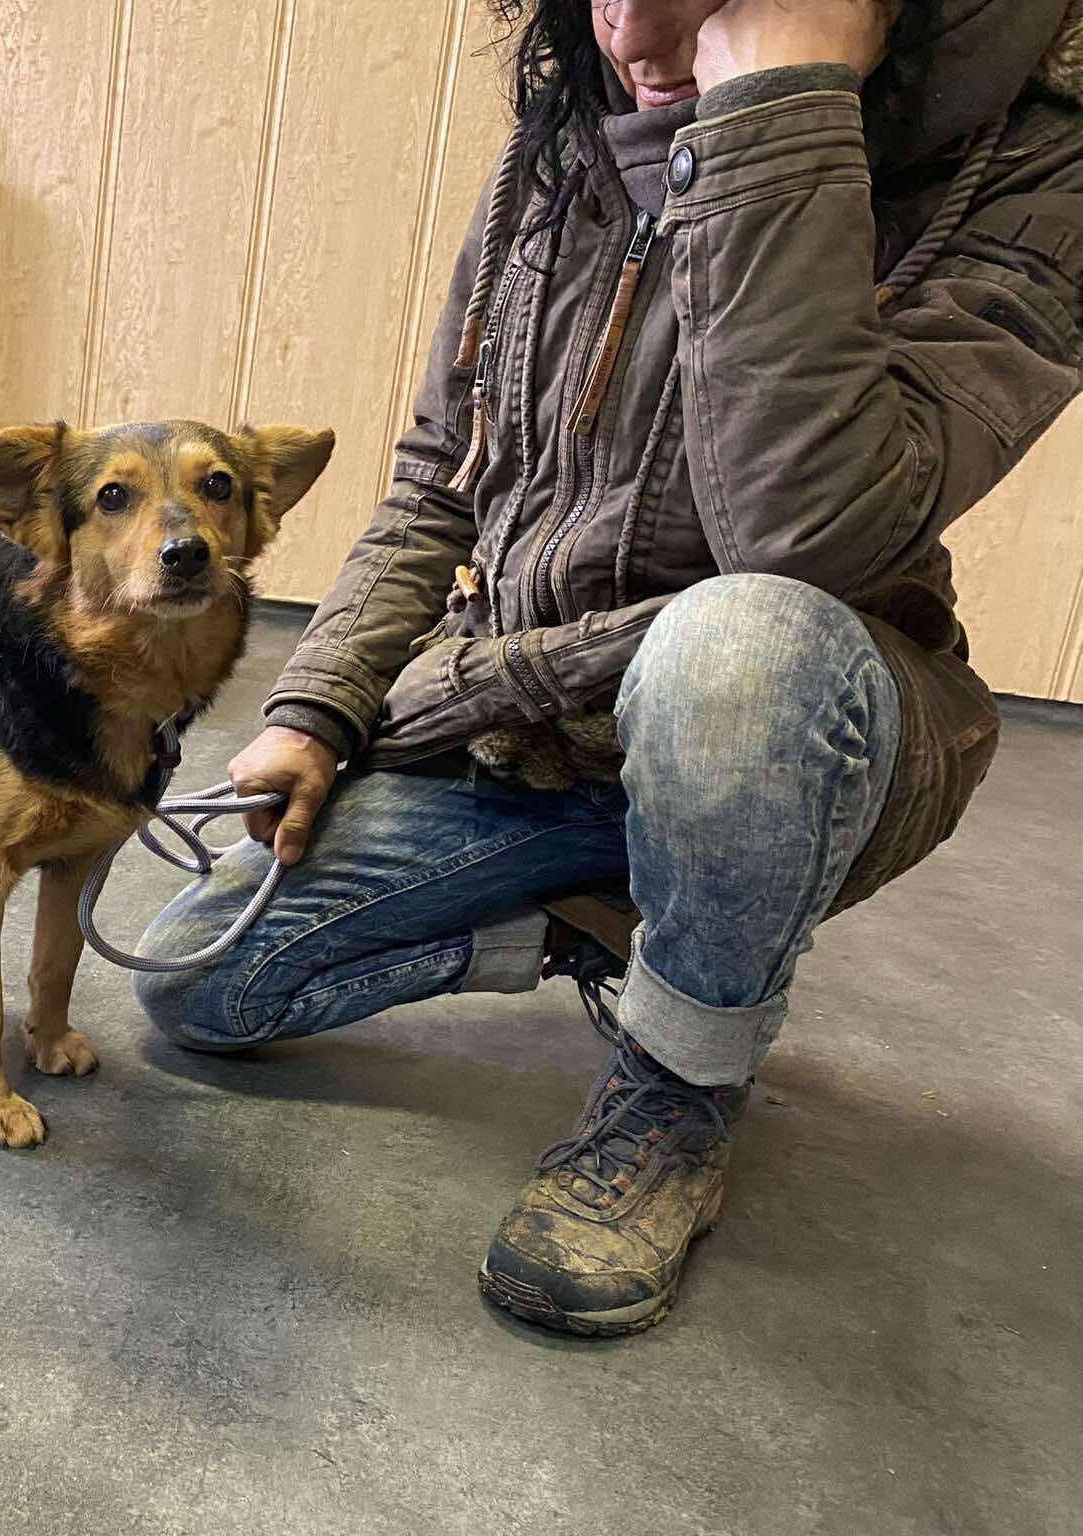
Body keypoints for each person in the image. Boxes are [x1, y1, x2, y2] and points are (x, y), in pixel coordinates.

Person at [132, 0, 1083, 1337]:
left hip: (785, 719)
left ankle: (677, 1095)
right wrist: (316, 706)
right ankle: (607, 927)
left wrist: (778, 118)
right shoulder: (565, 136)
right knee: (200, 978)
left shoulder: (1033, 163)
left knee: (736, 642)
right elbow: (438, 482)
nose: (631, 37)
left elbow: (802, 540)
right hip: (538, 735)